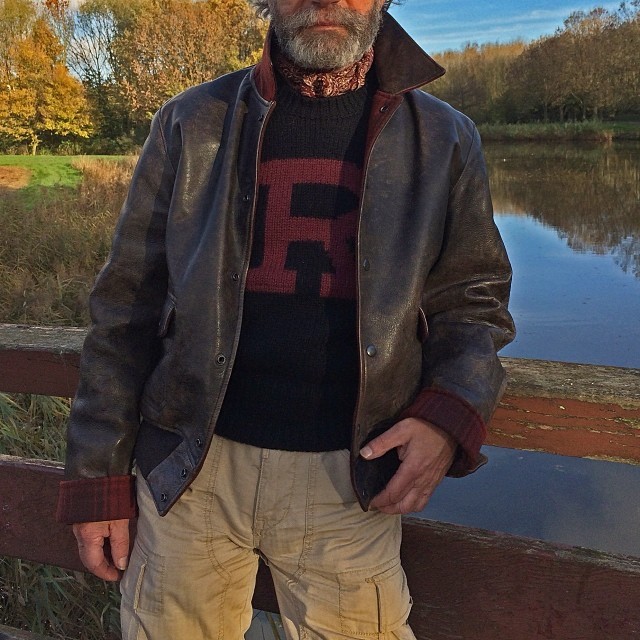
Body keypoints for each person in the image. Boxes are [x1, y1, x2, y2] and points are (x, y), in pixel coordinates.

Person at [56, 0, 515, 636]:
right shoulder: (190, 122)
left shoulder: (444, 138)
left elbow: (473, 300)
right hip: (186, 474)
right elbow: (126, 304)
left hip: (352, 481)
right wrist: (98, 475)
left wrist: (447, 418)